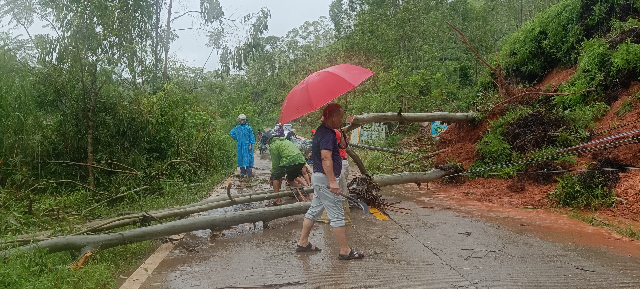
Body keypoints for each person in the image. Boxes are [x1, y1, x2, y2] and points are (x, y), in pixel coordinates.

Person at [296, 103, 364, 260]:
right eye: (340, 117)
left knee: (315, 210)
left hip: (320, 178)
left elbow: (331, 152)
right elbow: (326, 157)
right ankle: (344, 250)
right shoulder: (327, 134)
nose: (341, 120)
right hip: (326, 179)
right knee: (337, 213)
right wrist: (333, 182)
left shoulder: (324, 132)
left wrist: (341, 144)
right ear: (333, 118)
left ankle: (303, 242)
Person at [264, 131, 309, 205]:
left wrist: (272, 176)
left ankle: (277, 200)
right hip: (300, 160)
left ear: (268, 139)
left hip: (290, 161)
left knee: (275, 177)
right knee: (290, 178)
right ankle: (302, 195)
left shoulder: (273, 145)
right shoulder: (284, 140)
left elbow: (275, 164)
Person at [318, 129, 351, 224]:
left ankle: (344, 217)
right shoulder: (336, 132)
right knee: (334, 190)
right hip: (341, 163)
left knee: (338, 190)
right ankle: (330, 216)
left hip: (337, 164)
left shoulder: (332, 133)